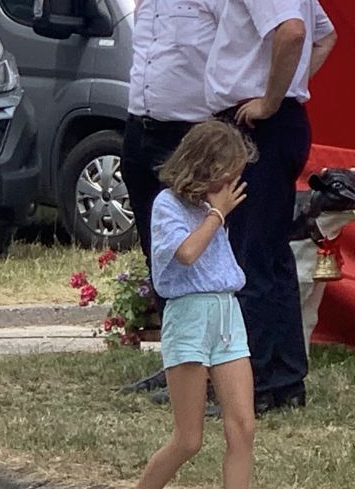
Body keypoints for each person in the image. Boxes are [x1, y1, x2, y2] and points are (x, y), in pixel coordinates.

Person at [205, 0, 337, 414]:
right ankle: (283, 378)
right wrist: (289, 87)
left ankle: (255, 381)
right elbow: (325, 35)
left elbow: (294, 32)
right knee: (271, 253)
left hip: (256, 125)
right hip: (274, 121)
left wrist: (270, 98)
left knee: (249, 255)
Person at [120, 0, 233, 394]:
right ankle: (178, 361)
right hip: (142, 125)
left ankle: (210, 364)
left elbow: (241, 47)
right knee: (159, 248)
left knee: (199, 250)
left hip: (191, 131)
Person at [136, 119, 256, 489]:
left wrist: (215, 212)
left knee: (243, 427)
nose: (229, 184)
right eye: (225, 175)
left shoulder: (209, 207)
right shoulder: (168, 205)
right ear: (202, 168)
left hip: (226, 314)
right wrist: (216, 215)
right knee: (189, 439)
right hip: (189, 315)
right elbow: (187, 254)